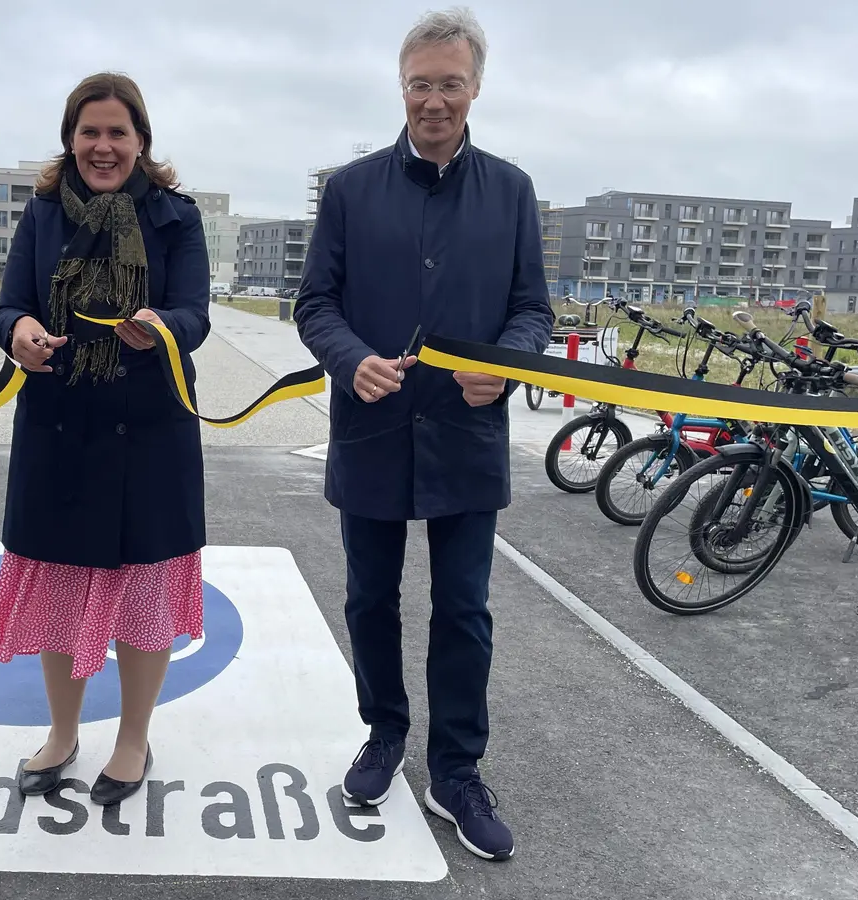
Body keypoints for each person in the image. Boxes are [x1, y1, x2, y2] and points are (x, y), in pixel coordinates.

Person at [293, 7, 554, 861]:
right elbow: (315, 305)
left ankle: (456, 772)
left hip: (465, 435)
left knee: (464, 612)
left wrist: (506, 365)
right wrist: (351, 359)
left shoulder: (511, 191)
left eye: (449, 83)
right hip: (372, 429)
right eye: (419, 84)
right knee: (370, 600)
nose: (433, 100)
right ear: (400, 88)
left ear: (476, 88)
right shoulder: (352, 188)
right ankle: (383, 735)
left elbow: (531, 310)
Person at [0, 72, 210, 807]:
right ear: (70, 139)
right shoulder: (43, 213)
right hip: (59, 428)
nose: (103, 146)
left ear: (142, 139)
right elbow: (9, 304)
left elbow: (195, 314)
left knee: (142, 594)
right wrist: (17, 331)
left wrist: (162, 329)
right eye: (90, 132)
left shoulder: (177, 217)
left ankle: (133, 739)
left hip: (149, 432)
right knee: (57, 587)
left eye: (118, 132)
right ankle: (62, 732)